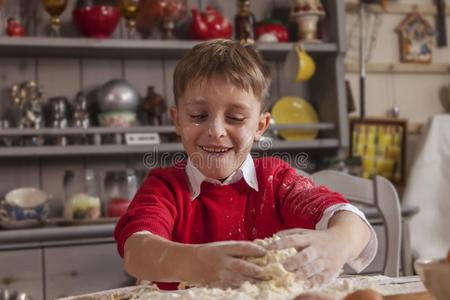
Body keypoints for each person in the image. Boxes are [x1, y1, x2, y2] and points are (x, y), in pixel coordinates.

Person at [114, 39, 376, 290]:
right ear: (177, 120)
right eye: (198, 116)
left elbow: (349, 220)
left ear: (260, 126)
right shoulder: (165, 186)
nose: (216, 130)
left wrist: (337, 241)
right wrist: (196, 263)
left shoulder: (276, 180)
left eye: (236, 118)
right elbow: (136, 251)